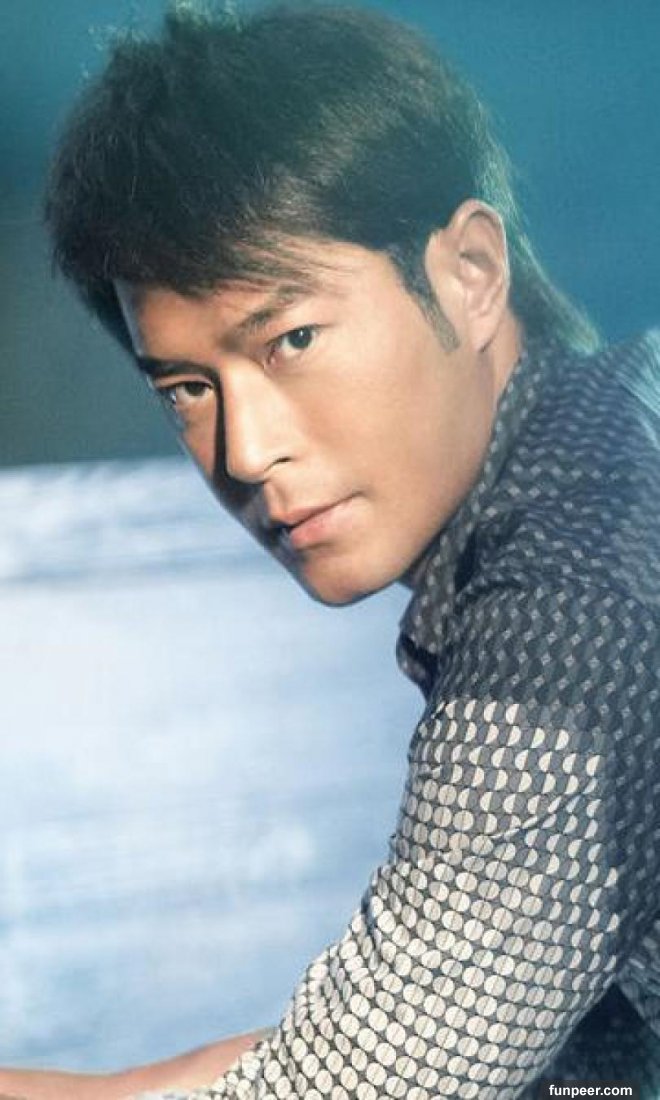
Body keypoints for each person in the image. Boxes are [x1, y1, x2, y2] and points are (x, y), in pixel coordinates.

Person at [2, 2, 660, 1097]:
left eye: (291, 338)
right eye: (187, 387)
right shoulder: (623, 419)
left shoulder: (567, 617)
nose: (245, 449)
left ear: (470, 271)